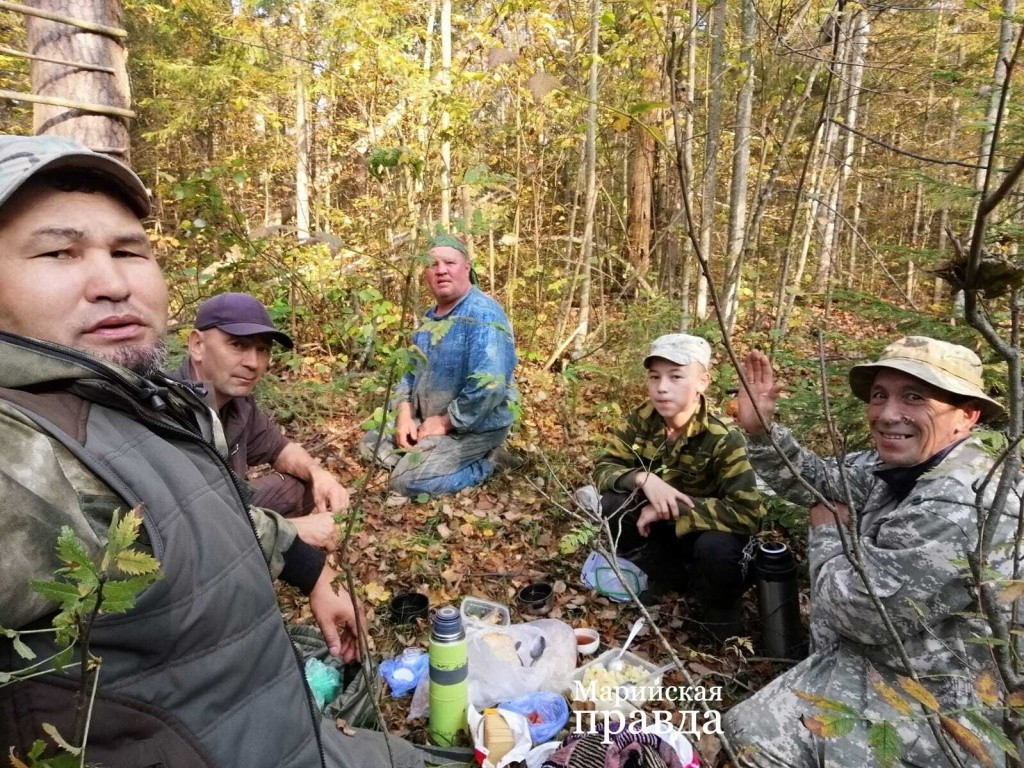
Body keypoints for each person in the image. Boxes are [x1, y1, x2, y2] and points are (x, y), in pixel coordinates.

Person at [0, 134, 423, 768]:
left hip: (285, 724)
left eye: (128, 249)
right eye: (59, 252)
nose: (112, 281)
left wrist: (306, 561)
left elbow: (196, 508)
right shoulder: (23, 448)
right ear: (199, 346)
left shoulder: (144, 399)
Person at [724, 337, 1020, 767]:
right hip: (891, 663)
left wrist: (828, 532)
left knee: (754, 740)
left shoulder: (960, 500)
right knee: (745, 730)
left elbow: (860, 613)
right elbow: (818, 479)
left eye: (914, 397)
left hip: (952, 702)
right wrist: (760, 429)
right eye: (880, 395)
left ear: (967, 415)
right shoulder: (907, 464)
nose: (886, 414)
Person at [582, 334, 763, 642]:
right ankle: (657, 573)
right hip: (659, 536)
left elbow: (749, 513)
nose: (662, 387)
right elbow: (603, 469)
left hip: (705, 539)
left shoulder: (723, 438)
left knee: (717, 549)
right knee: (613, 502)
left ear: (703, 382)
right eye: (655, 377)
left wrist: (675, 508)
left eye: (676, 377)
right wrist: (643, 479)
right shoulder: (642, 419)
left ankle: (718, 609)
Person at [176, 291, 351, 550]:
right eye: (238, 345)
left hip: (231, 509)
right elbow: (184, 527)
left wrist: (320, 474)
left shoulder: (238, 403)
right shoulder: (168, 411)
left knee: (301, 483)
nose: (254, 363)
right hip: (184, 546)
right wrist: (294, 530)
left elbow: (281, 449)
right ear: (197, 346)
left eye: (263, 349)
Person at [361, 234, 518, 497]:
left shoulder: (483, 314)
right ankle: (428, 458)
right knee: (369, 444)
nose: (441, 270)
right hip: (427, 420)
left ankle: (489, 462)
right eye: (433, 264)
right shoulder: (428, 320)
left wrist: (445, 423)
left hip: (473, 427)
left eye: (449, 262)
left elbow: (490, 387)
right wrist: (404, 416)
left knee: (406, 482)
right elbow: (408, 374)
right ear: (425, 273)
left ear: (466, 267)